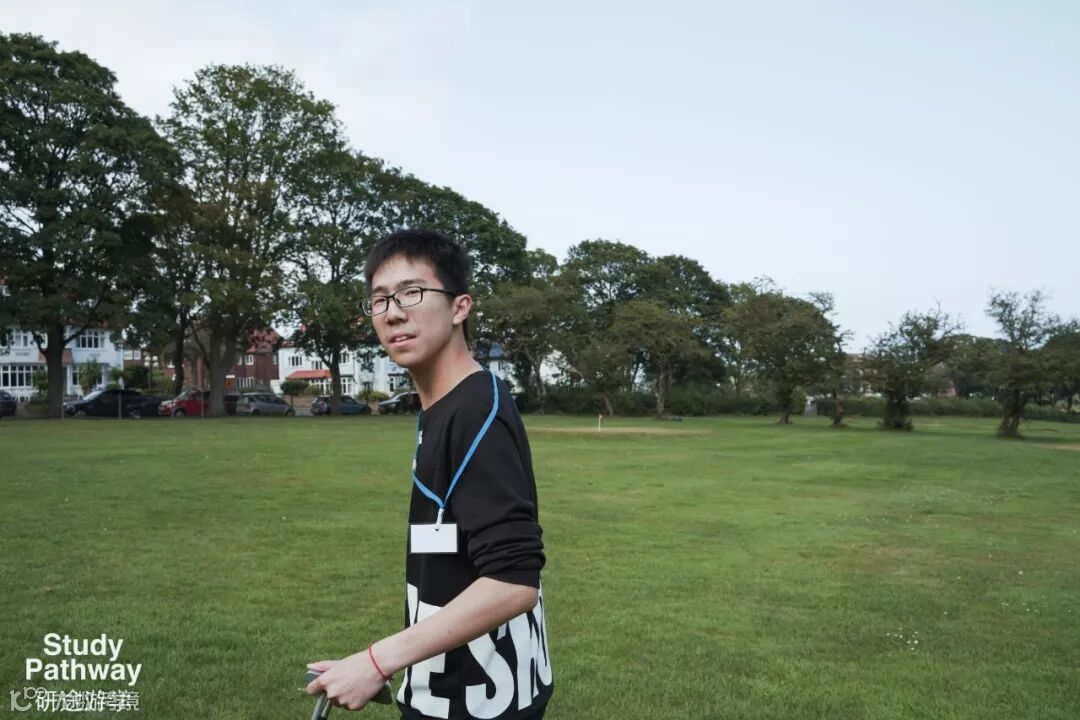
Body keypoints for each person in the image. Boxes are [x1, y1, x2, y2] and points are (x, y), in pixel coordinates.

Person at [306, 229, 553, 720]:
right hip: (459, 688)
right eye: (380, 299)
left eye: (412, 292)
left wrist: (376, 661)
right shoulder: (447, 406)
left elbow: (513, 581)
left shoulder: (474, 411)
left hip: (475, 704)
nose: (393, 312)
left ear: (460, 307)